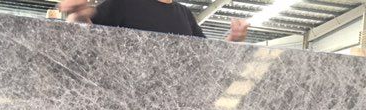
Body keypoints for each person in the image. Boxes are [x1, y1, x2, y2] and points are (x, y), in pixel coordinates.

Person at [58, 0, 249, 42]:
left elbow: (206, 58)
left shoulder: (185, 14)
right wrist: (77, 12)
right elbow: (85, 36)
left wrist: (233, 38)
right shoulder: (124, 3)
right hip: (128, 107)